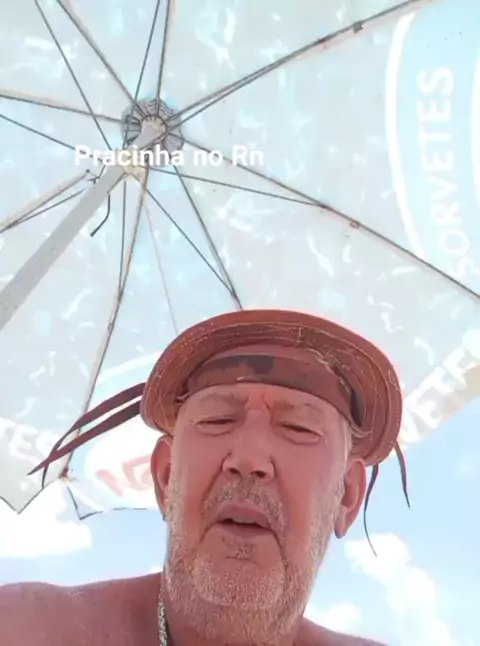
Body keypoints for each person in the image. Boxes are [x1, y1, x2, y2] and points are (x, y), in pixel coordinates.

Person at [0, 309, 408, 645]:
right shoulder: (25, 629)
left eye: (298, 428)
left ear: (347, 496)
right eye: (217, 420)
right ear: (165, 476)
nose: (248, 459)